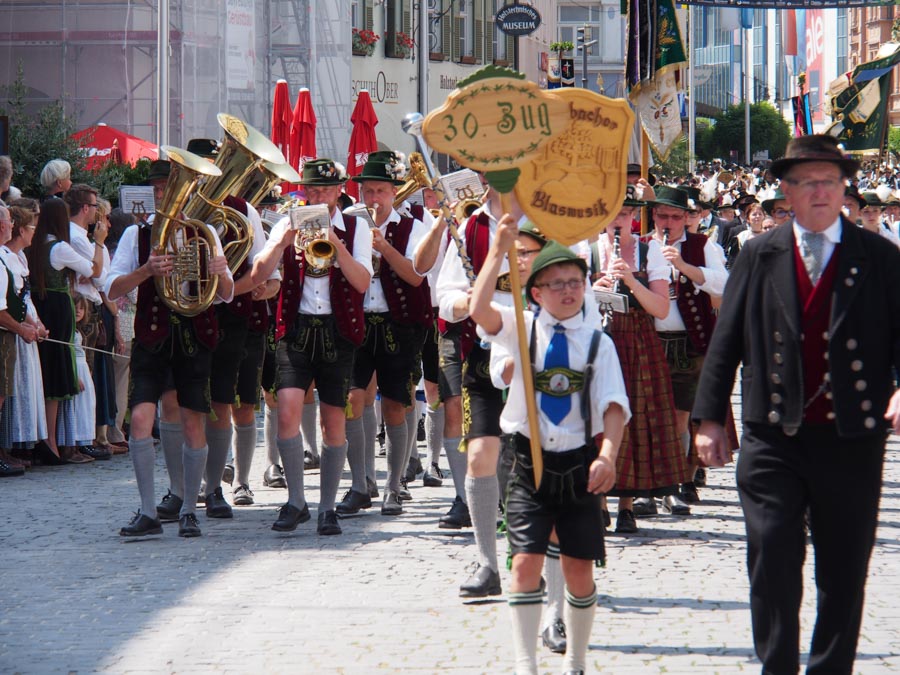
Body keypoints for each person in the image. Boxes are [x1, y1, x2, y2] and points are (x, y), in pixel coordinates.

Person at [694, 134, 900, 675]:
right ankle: (777, 667)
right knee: (772, 559)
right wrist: (710, 417)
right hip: (772, 435)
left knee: (843, 568)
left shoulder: (878, 256)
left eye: (829, 181)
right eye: (807, 182)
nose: (819, 192)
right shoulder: (760, 253)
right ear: (785, 191)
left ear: (843, 188)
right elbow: (727, 337)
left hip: (851, 438)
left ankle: (831, 668)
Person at [470, 223, 628, 675]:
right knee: (523, 565)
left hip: (579, 464)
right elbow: (479, 308)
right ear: (535, 291)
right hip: (525, 463)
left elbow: (614, 405)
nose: (568, 291)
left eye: (575, 282)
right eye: (556, 284)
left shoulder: (598, 342)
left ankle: (576, 660)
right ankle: (526, 664)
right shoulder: (519, 327)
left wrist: (607, 456)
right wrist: (497, 250)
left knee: (580, 573)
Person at [107, 158, 234, 538]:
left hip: (193, 338)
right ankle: (148, 511)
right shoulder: (137, 235)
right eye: (159, 190)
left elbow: (226, 295)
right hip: (152, 337)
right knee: (141, 421)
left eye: (169, 188)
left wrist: (219, 271)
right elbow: (112, 289)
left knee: (194, 424)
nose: (164, 195)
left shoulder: (205, 231)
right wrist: (146, 271)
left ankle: (189, 509)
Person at [250, 158, 372, 535]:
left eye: (325, 190)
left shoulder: (356, 228)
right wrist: (282, 241)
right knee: (287, 412)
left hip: (338, 331)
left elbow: (363, 282)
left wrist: (336, 245)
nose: (318, 197)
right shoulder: (288, 221)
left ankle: (327, 507)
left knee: (333, 420)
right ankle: (295, 501)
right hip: (296, 329)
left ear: (339, 191)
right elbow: (258, 274)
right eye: (312, 190)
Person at [592, 186, 689, 534]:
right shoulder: (587, 251)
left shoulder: (650, 253)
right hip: (596, 339)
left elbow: (661, 309)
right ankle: (598, 501)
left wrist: (631, 281)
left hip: (636, 339)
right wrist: (595, 290)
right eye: (612, 214)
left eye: (624, 214)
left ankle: (627, 505)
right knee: (597, 417)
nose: (618, 221)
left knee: (635, 417)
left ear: (633, 216)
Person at [340, 151, 429, 517]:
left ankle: (394, 485)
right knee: (352, 398)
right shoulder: (348, 222)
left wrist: (384, 246)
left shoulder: (412, 227)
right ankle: (360, 483)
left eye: (380, 192)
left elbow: (415, 275)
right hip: (357, 321)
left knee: (396, 402)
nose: (373, 199)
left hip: (398, 324)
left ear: (394, 192)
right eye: (367, 192)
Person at [632, 185, 727, 516]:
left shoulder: (702, 246)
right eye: (662, 216)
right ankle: (646, 486)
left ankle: (673, 485)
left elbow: (723, 284)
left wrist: (685, 267)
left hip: (689, 341)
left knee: (679, 418)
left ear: (686, 218)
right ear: (653, 215)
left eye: (675, 216)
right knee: (646, 418)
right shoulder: (640, 245)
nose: (668, 222)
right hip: (649, 341)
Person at [28, 197, 105, 463]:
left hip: (40, 308)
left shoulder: (35, 246)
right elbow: (93, 269)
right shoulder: (59, 247)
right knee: (57, 373)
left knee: (45, 372)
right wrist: (100, 242)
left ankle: (46, 439)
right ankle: (52, 440)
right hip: (58, 311)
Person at [0, 201, 49, 472]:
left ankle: (11, 449)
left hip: (18, 330)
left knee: (9, 391)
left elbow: (23, 299)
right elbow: (4, 305)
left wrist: (35, 324)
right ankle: (6, 448)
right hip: (9, 332)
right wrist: (23, 327)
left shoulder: (17, 259)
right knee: (5, 391)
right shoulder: (2, 258)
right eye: (30, 227)